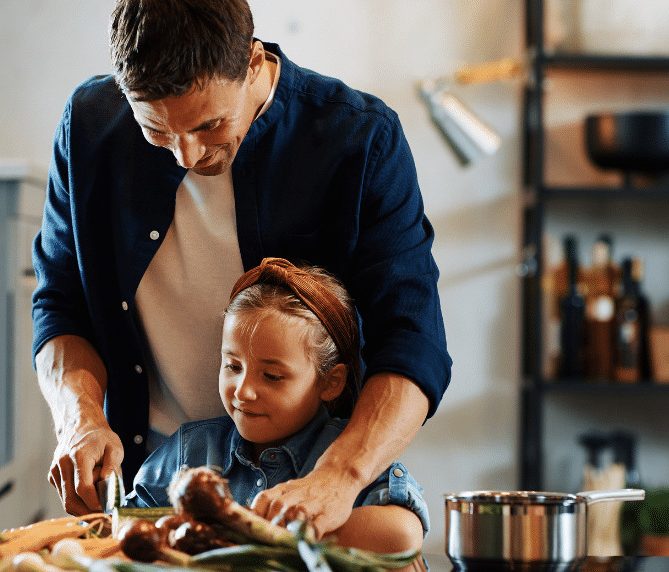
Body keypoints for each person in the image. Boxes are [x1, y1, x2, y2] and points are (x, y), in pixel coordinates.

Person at [32, 0, 451, 538]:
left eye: (209, 126)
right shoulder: (89, 127)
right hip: (158, 490)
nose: (185, 155)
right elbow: (61, 304)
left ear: (253, 62)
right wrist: (79, 418)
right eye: (156, 131)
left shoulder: (360, 139)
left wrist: (340, 477)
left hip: (308, 490)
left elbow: (412, 341)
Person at [126, 258, 429, 563]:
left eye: (272, 376)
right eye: (233, 366)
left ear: (331, 382)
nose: (243, 391)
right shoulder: (188, 451)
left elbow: (402, 536)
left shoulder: (351, 451)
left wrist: (258, 535)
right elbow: (125, 526)